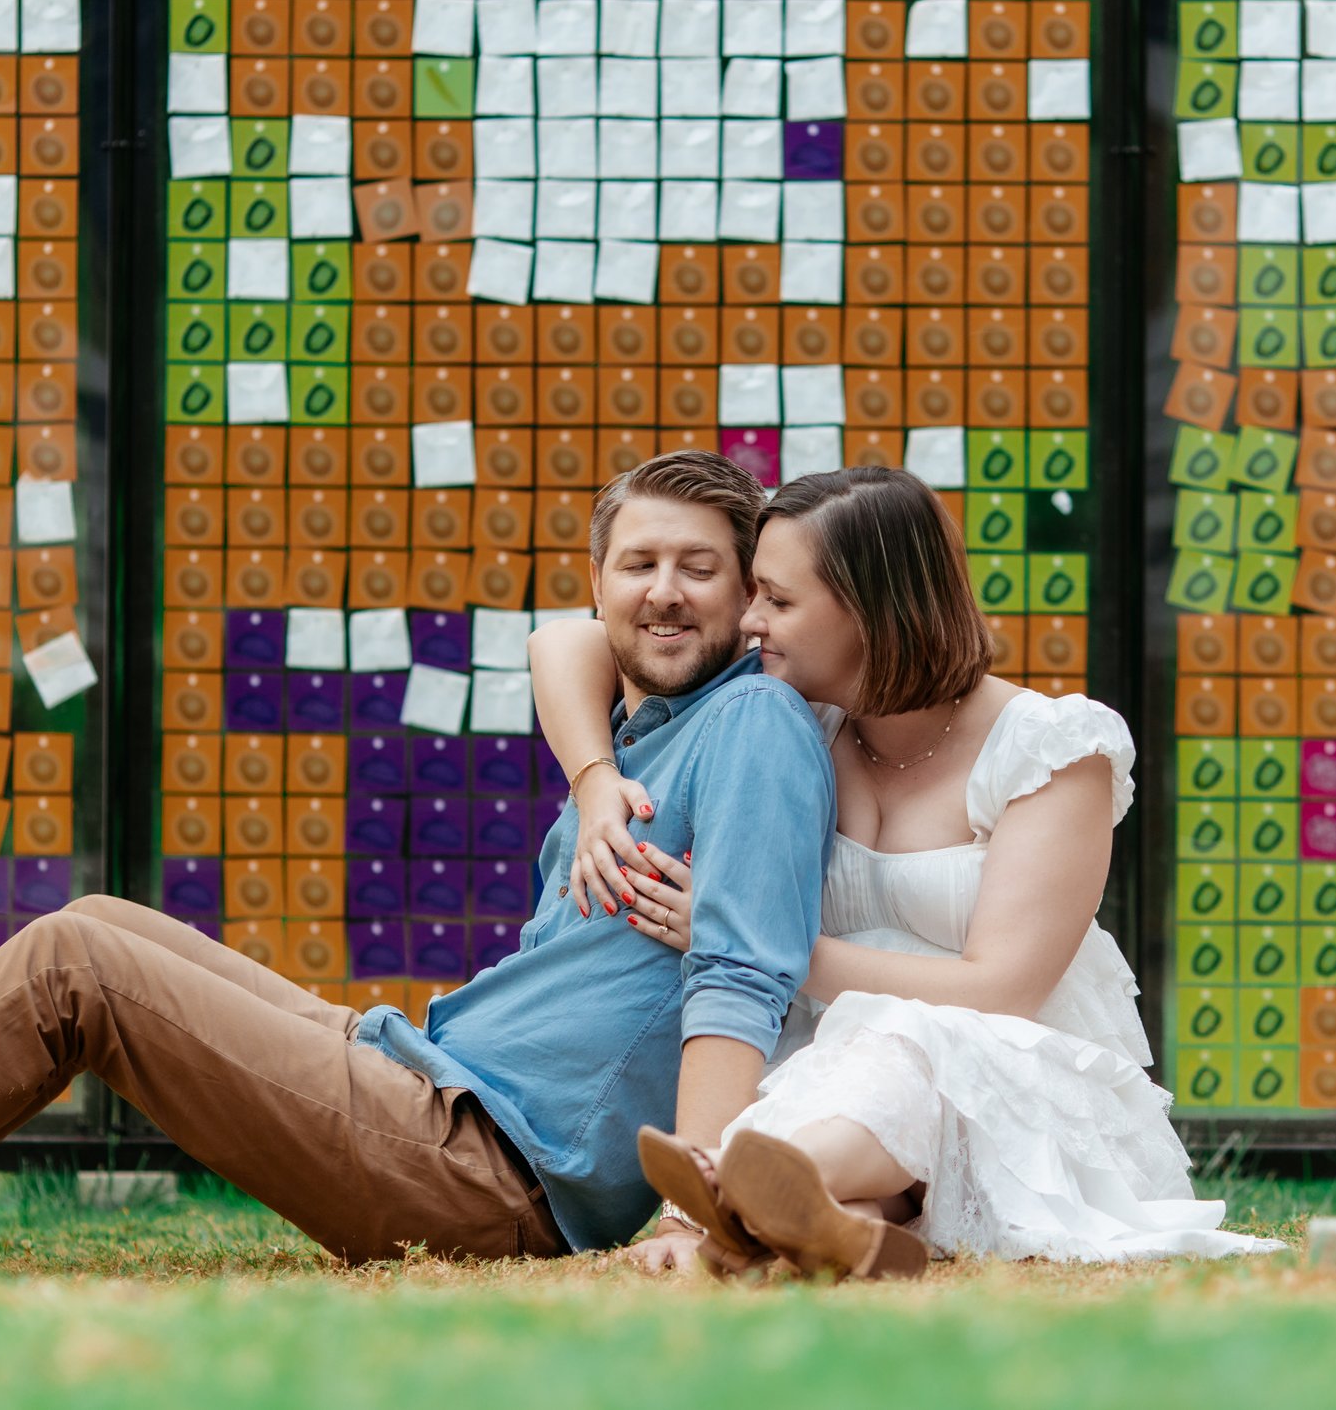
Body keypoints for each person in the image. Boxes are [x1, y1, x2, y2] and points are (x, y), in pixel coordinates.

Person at [0, 450, 833, 1268]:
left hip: (489, 1166)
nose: (664, 591)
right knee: (100, 915)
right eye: (638, 563)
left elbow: (739, 971)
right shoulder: (642, 735)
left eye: (701, 569)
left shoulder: (754, 723)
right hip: (432, 1070)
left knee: (78, 961)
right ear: (597, 582)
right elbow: (564, 642)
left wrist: (690, 1209)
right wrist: (589, 776)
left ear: (750, 599)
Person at [532, 466, 1282, 1277]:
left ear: (869, 610)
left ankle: (745, 1182)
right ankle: (825, 1222)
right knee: (847, 1084)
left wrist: (747, 936)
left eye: (776, 599)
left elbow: (1001, 989)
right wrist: (594, 777)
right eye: (752, 593)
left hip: (1002, 1082)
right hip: (833, 1072)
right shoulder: (799, 711)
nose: (749, 619)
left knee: (907, 1043)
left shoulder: (1053, 749)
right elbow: (567, 641)